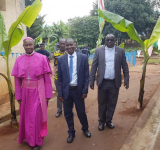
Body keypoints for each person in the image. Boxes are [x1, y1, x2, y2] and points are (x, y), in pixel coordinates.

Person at [11, 37, 53, 150]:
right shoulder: (19, 60)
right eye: (26, 45)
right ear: (23, 46)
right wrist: (18, 96)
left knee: (36, 116)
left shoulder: (43, 58)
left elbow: (47, 78)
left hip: (39, 92)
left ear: (34, 45)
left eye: (30, 45)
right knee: (26, 116)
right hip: (25, 93)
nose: (28, 47)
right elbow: (17, 81)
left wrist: (48, 94)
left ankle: (37, 141)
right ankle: (29, 138)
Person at [90, 34, 129, 131]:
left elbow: (124, 66)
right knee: (102, 103)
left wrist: (127, 79)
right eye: (108, 40)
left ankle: (108, 120)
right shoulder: (99, 51)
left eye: (112, 40)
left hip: (114, 83)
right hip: (102, 82)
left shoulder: (120, 51)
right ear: (105, 40)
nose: (110, 42)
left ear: (114, 41)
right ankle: (101, 121)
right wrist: (91, 80)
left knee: (112, 103)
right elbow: (94, 66)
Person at [57, 38, 91, 143]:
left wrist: (85, 90)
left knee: (81, 112)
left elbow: (86, 76)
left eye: (71, 44)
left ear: (75, 45)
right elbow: (60, 78)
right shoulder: (61, 59)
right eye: (67, 45)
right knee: (67, 113)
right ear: (64, 46)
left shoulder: (83, 58)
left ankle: (85, 128)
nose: (69, 47)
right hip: (67, 91)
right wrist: (60, 93)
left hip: (78, 91)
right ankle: (71, 132)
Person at [53, 39, 66, 117]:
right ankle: (59, 110)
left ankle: (69, 109)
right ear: (59, 44)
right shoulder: (55, 54)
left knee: (68, 94)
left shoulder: (68, 53)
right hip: (58, 77)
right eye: (61, 44)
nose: (62, 45)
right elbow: (55, 65)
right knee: (59, 94)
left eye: (64, 44)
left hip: (67, 78)